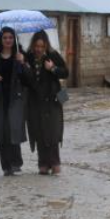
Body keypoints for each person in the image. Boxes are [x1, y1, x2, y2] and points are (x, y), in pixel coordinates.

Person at [0, 27, 31, 176]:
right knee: (1, 132)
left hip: (16, 97)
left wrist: (22, 63)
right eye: (5, 38)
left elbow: (28, 78)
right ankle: (6, 166)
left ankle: (16, 162)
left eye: (10, 37)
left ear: (14, 39)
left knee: (13, 129)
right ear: (0, 39)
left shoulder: (20, 54)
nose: (8, 40)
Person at [24, 30, 69, 175]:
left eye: (41, 46)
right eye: (36, 46)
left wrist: (53, 68)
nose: (38, 49)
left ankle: (55, 162)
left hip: (52, 100)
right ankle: (43, 163)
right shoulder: (27, 57)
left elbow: (65, 72)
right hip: (35, 100)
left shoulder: (52, 55)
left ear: (46, 46)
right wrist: (22, 65)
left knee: (53, 131)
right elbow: (22, 78)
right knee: (38, 131)